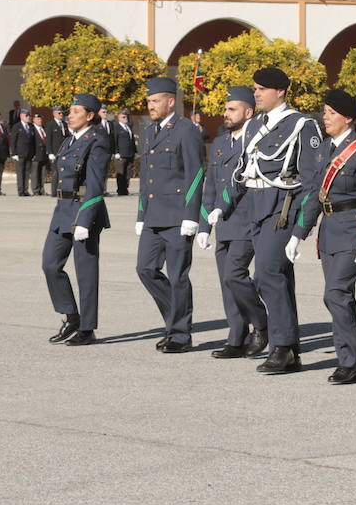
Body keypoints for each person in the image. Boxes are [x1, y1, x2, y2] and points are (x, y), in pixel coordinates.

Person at [226, 67, 326, 374]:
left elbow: (312, 181)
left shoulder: (301, 125)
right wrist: (221, 207)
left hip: (282, 210)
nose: (256, 94)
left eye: (262, 89)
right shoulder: (257, 123)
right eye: (255, 89)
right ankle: (289, 347)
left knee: (268, 273)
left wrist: (302, 229)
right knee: (278, 277)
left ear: (280, 92)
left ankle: (281, 347)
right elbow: (244, 170)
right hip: (256, 207)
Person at [287, 89, 356, 384]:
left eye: (331, 114)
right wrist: (298, 234)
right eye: (324, 113)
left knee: (336, 294)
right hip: (329, 232)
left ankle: (350, 363)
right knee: (338, 297)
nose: (325, 118)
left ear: (348, 118)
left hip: (353, 231)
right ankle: (352, 360)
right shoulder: (325, 148)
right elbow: (315, 195)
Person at [194, 86, 270, 360]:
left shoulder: (258, 141)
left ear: (248, 112)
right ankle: (236, 337)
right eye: (226, 109)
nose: (225, 114)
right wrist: (204, 226)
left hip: (248, 219)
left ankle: (261, 324)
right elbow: (210, 186)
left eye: (232, 109)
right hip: (223, 222)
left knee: (233, 275)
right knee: (226, 283)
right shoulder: (221, 143)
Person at [135, 77, 206, 354]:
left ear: (170, 101)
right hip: (154, 217)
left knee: (177, 276)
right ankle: (175, 320)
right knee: (145, 269)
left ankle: (180, 334)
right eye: (149, 101)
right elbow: (146, 179)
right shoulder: (151, 132)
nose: (150, 106)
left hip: (177, 217)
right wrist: (141, 214)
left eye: (155, 101)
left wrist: (192, 215)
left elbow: (195, 174)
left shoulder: (186, 130)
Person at [42, 93, 111, 347]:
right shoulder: (68, 141)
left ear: (90, 116)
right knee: (50, 264)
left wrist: (85, 219)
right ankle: (72, 317)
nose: (69, 115)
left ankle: (87, 328)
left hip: (85, 211)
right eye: (69, 111)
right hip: (63, 210)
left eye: (75, 111)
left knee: (86, 273)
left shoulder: (97, 142)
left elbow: (95, 185)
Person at [11, 108, 37, 196]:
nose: (28, 117)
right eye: (26, 115)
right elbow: (13, 141)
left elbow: (33, 141)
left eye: (29, 115)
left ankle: (25, 190)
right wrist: (14, 153)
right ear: (21, 116)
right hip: (20, 154)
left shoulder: (31, 126)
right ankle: (20, 190)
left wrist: (33, 153)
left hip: (29, 153)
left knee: (26, 173)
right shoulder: (16, 127)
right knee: (20, 173)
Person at [111, 109, 136, 195]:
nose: (126, 118)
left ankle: (125, 188)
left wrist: (135, 151)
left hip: (130, 153)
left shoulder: (128, 126)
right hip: (121, 154)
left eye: (126, 117)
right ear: (119, 118)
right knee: (121, 173)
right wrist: (116, 152)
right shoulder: (116, 127)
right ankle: (121, 190)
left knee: (128, 172)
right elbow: (114, 140)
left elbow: (132, 140)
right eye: (124, 117)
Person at [47, 107, 69, 196]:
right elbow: (48, 140)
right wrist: (50, 152)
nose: (61, 115)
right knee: (55, 173)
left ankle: (61, 190)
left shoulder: (64, 124)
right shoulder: (50, 124)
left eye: (62, 113)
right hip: (55, 152)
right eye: (59, 113)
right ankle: (54, 192)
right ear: (54, 114)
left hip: (64, 152)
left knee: (63, 172)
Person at [31, 112, 51, 196]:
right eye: (38, 119)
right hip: (36, 154)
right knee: (35, 173)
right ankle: (35, 190)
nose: (40, 120)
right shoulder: (32, 129)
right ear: (34, 120)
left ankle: (41, 189)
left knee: (42, 173)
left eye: (41, 119)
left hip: (44, 154)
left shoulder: (43, 128)